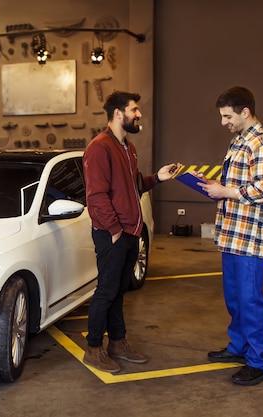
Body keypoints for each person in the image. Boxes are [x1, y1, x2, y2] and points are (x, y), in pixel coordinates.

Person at [83, 90, 178, 373]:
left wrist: (156, 179)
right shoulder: (99, 147)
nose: (139, 115)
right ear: (117, 114)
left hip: (130, 233)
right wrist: (113, 229)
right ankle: (94, 348)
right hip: (113, 233)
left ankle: (118, 341)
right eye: (134, 109)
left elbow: (132, 188)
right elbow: (96, 196)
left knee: (119, 291)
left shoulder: (129, 148)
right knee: (106, 291)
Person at [198, 86, 263, 386]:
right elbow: (236, 184)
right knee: (235, 298)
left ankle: (260, 362)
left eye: (227, 116)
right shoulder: (239, 142)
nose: (223, 122)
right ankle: (240, 348)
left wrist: (225, 191)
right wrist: (211, 185)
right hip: (233, 235)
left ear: (245, 112)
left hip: (251, 237)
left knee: (250, 301)